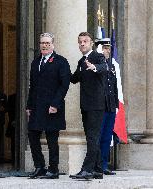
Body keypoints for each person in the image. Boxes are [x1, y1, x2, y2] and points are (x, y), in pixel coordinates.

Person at [26, 32, 71, 179]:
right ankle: (39, 167)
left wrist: (55, 104)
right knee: (33, 135)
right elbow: (32, 86)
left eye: (47, 43)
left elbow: (64, 85)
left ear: (53, 45)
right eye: (42, 43)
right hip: (37, 107)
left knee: (52, 139)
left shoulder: (61, 61)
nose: (44, 45)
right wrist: (29, 106)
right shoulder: (35, 62)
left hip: (52, 107)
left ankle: (53, 169)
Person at [69, 32, 107, 179]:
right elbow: (73, 79)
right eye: (80, 42)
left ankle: (87, 170)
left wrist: (94, 67)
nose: (82, 44)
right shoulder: (81, 61)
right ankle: (97, 169)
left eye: (85, 41)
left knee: (92, 137)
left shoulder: (97, 57)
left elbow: (104, 67)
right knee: (91, 137)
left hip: (96, 105)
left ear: (91, 43)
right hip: (85, 105)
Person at [95, 38, 118, 175]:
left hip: (110, 106)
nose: (107, 51)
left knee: (106, 137)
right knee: (98, 136)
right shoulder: (97, 64)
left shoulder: (112, 65)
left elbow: (114, 86)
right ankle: (97, 164)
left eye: (109, 48)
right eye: (104, 48)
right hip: (100, 106)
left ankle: (104, 164)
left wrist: (115, 104)